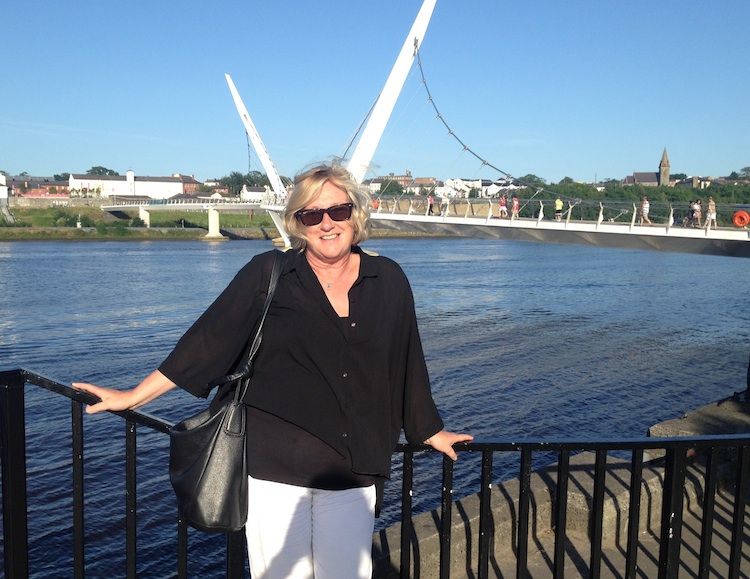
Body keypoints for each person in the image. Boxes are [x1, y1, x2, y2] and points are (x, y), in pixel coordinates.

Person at [73, 162, 472, 579]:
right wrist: (133, 397)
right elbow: (206, 342)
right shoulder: (270, 273)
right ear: (297, 223)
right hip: (275, 468)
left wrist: (427, 429)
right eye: (312, 215)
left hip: (354, 468)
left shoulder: (388, 278)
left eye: (337, 211)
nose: (327, 224)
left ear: (356, 212)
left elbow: (406, 358)